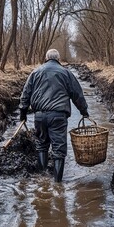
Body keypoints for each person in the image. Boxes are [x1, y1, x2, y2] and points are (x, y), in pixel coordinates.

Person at [19, 49, 89, 182]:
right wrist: (84, 111)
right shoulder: (66, 73)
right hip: (58, 116)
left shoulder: (35, 72)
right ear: (58, 59)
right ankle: (58, 185)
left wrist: (23, 113)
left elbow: (25, 94)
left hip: (39, 116)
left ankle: (42, 181)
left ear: (46, 58)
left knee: (41, 145)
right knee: (59, 149)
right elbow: (77, 94)